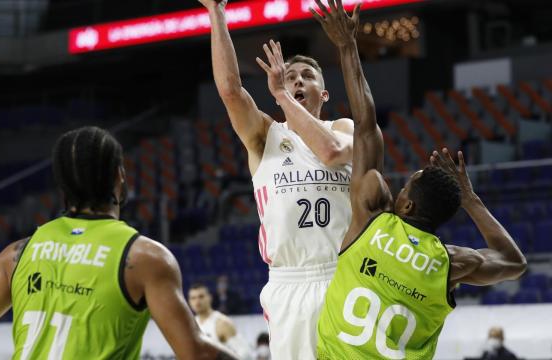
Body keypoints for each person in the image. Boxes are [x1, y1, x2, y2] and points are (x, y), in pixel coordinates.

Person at [313, 1, 528, 358]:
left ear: (408, 204)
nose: (396, 191)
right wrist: (470, 199)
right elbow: (514, 261)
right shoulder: (453, 263)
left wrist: (348, 46)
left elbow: (366, 126)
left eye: (403, 188)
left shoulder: (372, 221)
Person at [0, 127, 238, 360]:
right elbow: (196, 353)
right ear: (119, 176)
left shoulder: (16, 254)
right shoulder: (145, 258)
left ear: (61, 186)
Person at [199, 0, 362, 356]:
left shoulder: (344, 128)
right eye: (290, 77)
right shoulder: (265, 136)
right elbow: (230, 91)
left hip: (345, 272)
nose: (297, 80)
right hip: (291, 281)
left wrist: (282, 95)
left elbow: (331, 151)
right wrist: (216, 13)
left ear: (325, 92)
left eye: (307, 76)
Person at [188, 283, 253, 359]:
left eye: (201, 297)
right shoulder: (190, 325)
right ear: (189, 301)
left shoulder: (222, 323)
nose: (197, 301)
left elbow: (245, 353)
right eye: (193, 298)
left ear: (209, 298)